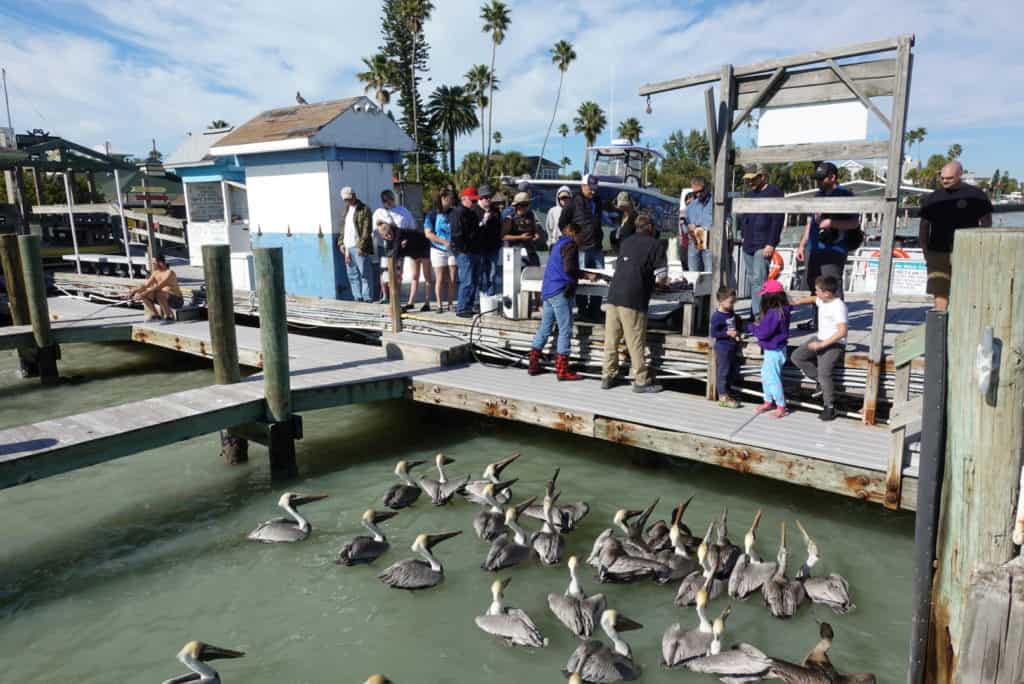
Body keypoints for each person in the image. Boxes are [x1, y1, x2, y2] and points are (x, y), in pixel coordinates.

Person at [601, 213, 669, 394]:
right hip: (634, 297)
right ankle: (641, 380)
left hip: (614, 295)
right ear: (650, 228)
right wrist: (662, 284)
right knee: (635, 341)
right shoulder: (656, 245)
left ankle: (608, 375)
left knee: (611, 339)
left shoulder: (626, 242)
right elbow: (661, 275)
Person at [919, 160, 993, 311]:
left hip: (968, 251)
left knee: (967, 289)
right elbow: (924, 226)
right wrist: (925, 250)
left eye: (950, 178)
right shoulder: (932, 198)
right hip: (938, 251)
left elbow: (986, 222)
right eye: (942, 177)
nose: (945, 181)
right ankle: (940, 323)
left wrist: (981, 247)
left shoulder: (976, 195)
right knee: (939, 291)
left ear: (960, 175)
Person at [795, 162, 859, 331]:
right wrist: (802, 245)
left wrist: (832, 223)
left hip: (834, 249)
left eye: (822, 178)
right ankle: (817, 320)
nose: (819, 182)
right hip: (814, 248)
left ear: (833, 177)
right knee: (815, 286)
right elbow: (811, 222)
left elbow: (854, 223)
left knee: (832, 286)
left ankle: (838, 324)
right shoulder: (818, 196)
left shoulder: (845, 195)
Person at [528, 222, 595, 380]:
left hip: (548, 291)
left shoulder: (558, 244)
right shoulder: (570, 245)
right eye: (581, 236)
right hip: (560, 292)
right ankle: (562, 369)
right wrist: (587, 275)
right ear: (574, 234)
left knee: (544, 329)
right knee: (565, 330)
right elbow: (569, 269)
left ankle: (532, 363)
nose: (582, 239)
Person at [791, 274, 848, 422]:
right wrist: (796, 303)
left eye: (817, 290)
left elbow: (842, 332)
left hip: (834, 344)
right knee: (797, 356)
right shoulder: (822, 300)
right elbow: (812, 299)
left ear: (827, 293)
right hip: (820, 339)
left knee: (825, 373)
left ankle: (830, 407)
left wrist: (821, 345)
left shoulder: (838, 306)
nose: (815, 293)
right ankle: (819, 383)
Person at [739, 167, 784, 318]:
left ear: (763, 177)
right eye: (748, 179)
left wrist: (771, 243)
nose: (749, 182)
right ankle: (755, 313)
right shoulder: (749, 194)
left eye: (753, 178)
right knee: (753, 280)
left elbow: (777, 220)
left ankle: (759, 315)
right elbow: (744, 217)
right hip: (748, 244)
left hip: (763, 243)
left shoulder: (774, 192)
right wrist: (743, 235)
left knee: (759, 280)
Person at [559, 174, 605, 321]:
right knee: (581, 278)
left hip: (596, 247)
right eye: (590, 189)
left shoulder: (597, 201)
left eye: (595, 189)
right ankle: (583, 310)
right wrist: (572, 238)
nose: (593, 192)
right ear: (583, 186)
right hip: (581, 248)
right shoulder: (572, 203)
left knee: (600, 278)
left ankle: (596, 309)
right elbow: (562, 223)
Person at [748, 279, 792, 419]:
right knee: (765, 377)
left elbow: (763, 333)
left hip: (774, 351)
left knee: (772, 379)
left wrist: (750, 327)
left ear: (769, 297)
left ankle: (780, 406)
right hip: (776, 350)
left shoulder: (774, 313)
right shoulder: (783, 309)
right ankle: (768, 401)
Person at [373, 190, 415, 305]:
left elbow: (411, 228)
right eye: (385, 200)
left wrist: (406, 239)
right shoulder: (379, 212)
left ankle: (396, 295)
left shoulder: (403, 211)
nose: (388, 202)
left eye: (389, 199)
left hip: (400, 246)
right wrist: (383, 234)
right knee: (384, 272)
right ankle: (385, 296)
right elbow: (374, 230)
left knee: (398, 271)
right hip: (384, 246)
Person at [338, 186, 378, 303]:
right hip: (348, 246)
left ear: (354, 196)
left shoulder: (364, 209)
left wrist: (362, 246)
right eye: (345, 199)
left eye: (349, 198)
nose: (348, 201)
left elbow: (367, 229)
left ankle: (367, 298)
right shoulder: (345, 210)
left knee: (365, 273)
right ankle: (357, 297)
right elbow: (343, 229)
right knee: (352, 274)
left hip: (359, 246)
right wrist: (341, 243)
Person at [450, 186, 483, 318]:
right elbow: (457, 234)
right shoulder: (458, 213)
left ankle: (468, 305)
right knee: (467, 280)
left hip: (473, 250)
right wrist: (463, 250)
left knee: (474, 280)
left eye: (476, 201)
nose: (475, 203)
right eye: (473, 201)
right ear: (464, 199)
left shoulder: (472, 213)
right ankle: (462, 307)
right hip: (465, 252)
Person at [424, 188, 458, 312]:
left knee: (453, 278)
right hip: (437, 249)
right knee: (440, 278)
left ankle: (451, 303)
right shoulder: (432, 214)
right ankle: (439, 304)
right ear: (444, 198)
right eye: (451, 198)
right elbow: (428, 234)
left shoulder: (454, 212)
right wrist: (443, 242)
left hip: (452, 249)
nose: (453, 200)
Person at [710, 286, 741, 408]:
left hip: (732, 345)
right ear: (721, 301)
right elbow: (714, 333)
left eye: (734, 302)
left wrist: (738, 333)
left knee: (732, 370)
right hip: (723, 347)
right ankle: (722, 395)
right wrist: (727, 334)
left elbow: (734, 324)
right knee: (723, 371)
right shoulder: (717, 316)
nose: (733, 305)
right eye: (730, 302)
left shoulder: (731, 312)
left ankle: (728, 392)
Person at [129, 254, 184, 322]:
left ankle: (169, 316)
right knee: (142, 293)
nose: (152, 265)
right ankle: (156, 315)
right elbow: (145, 285)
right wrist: (133, 291)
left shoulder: (169, 273)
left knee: (158, 294)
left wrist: (143, 293)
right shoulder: (155, 273)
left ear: (160, 263)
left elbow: (158, 287)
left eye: (154, 263)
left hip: (176, 300)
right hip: (162, 298)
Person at [476, 185, 503, 298]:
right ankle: (481, 298)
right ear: (480, 198)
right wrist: (484, 220)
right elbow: (474, 229)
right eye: (485, 197)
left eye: (489, 197)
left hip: (494, 247)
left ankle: (491, 296)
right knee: (481, 274)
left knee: (492, 273)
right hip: (480, 248)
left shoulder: (496, 210)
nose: (488, 199)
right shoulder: (474, 210)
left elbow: (499, 227)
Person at [501, 191, 541, 267]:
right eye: (526, 204)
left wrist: (536, 234)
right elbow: (504, 236)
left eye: (528, 204)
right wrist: (521, 237)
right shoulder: (510, 217)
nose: (528, 206)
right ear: (519, 206)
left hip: (530, 251)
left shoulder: (530, 214)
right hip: (515, 252)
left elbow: (534, 229)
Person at [683, 177, 713, 271]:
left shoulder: (716, 203)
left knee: (709, 274)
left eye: (700, 191)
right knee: (693, 273)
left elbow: (727, 221)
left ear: (706, 188)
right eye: (695, 192)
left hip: (711, 241)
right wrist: (688, 227)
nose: (698, 194)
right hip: (694, 240)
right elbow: (684, 225)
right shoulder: (691, 206)